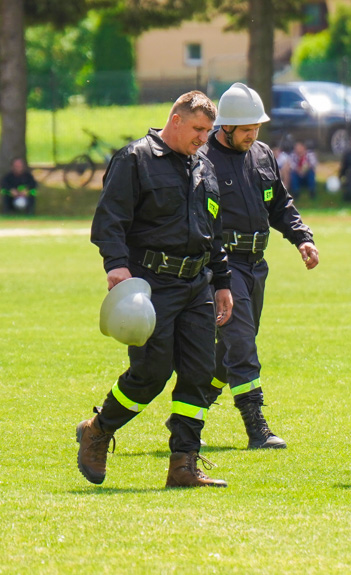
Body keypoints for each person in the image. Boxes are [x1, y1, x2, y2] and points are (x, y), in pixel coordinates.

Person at [79, 91, 233, 488]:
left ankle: (184, 464)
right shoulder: (135, 159)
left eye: (209, 131)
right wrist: (116, 267)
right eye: (198, 129)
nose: (204, 138)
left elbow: (213, 232)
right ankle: (98, 430)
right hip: (152, 284)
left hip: (197, 283)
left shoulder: (204, 166)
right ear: (176, 120)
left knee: (200, 373)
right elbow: (110, 219)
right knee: (151, 372)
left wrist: (223, 282)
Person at [201, 82, 319, 449]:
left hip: (256, 265)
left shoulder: (263, 154)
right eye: (247, 129)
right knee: (242, 345)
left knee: (225, 355)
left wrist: (302, 237)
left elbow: (279, 204)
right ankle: (257, 429)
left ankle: (185, 418)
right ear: (226, 127)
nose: (253, 135)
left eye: (257, 128)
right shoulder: (202, 160)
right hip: (222, 265)